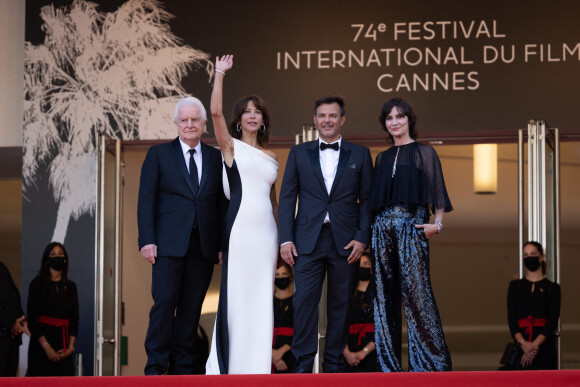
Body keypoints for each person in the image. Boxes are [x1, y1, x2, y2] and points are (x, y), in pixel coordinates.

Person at [279, 95, 373, 373]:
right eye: (322, 115)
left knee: (341, 304)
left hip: (347, 241)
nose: (327, 120)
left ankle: (333, 367)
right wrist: (286, 238)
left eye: (333, 115)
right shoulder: (299, 153)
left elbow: (367, 200)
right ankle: (303, 367)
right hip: (307, 239)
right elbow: (287, 197)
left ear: (342, 119)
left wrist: (362, 237)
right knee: (305, 302)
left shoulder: (360, 154)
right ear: (316, 119)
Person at [138, 96, 227, 375]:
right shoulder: (158, 154)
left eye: (195, 120)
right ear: (177, 124)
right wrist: (147, 240)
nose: (190, 124)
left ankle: (184, 369)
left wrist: (222, 245)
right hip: (166, 245)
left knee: (191, 310)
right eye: (184, 120)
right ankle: (155, 367)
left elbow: (221, 205)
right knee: (164, 305)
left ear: (203, 125)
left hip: (202, 247)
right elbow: (146, 200)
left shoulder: (216, 157)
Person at [205, 55, 279, 374]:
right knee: (237, 298)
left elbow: (273, 203)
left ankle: (258, 369)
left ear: (263, 120)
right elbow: (215, 112)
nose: (252, 115)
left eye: (257, 112)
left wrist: (282, 240)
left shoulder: (272, 156)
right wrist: (219, 73)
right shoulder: (231, 147)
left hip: (267, 237)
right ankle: (231, 368)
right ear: (240, 120)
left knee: (262, 300)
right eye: (247, 111)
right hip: (239, 232)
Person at [368, 97, 452, 372]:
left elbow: (438, 195)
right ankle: (387, 366)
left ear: (409, 120)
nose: (394, 122)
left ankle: (431, 366)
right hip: (381, 231)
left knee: (418, 296)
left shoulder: (425, 153)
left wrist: (436, 225)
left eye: (399, 117)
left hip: (411, 228)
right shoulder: (381, 157)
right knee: (383, 298)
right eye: (389, 118)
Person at [27, 242, 79, 376]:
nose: (57, 257)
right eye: (53, 254)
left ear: (65, 259)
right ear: (47, 259)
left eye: (60, 254)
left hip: (64, 346)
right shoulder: (37, 285)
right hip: (41, 347)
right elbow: (32, 319)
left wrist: (70, 348)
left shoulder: (71, 286)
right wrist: (47, 348)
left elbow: (74, 318)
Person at [507, 241, 561, 370]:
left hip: (544, 347)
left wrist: (534, 346)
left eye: (532, 254)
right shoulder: (515, 286)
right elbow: (512, 319)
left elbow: (552, 320)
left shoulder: (553, 288)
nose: (529, 257)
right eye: (525, 255)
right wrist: (523, 344)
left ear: (541, 257)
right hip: (521, 346)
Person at [342, 254, 376, 372]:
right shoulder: (347, 296)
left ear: (372, 269)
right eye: (359, 265)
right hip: (348, 354)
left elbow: (382, 330)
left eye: (366, 264)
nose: (362, 267)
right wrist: (347, 353)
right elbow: (339, 326)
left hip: (372, 354)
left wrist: (363, 352)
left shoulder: (378, 299)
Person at [0, 261, 30, 377]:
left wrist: (20, 318)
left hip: (10, 338)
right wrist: (11, 323)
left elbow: (12, 295)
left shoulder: (2, 267)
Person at [272, 262, 296, 373]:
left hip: (291, 352)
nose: (281, 277)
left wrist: (280, 352)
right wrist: (273, 355)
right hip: (268, 354)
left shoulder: (297, 302)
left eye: (284, 273)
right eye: (277, 275)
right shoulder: (266, 302)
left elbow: (300, 330)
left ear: (291, 276)